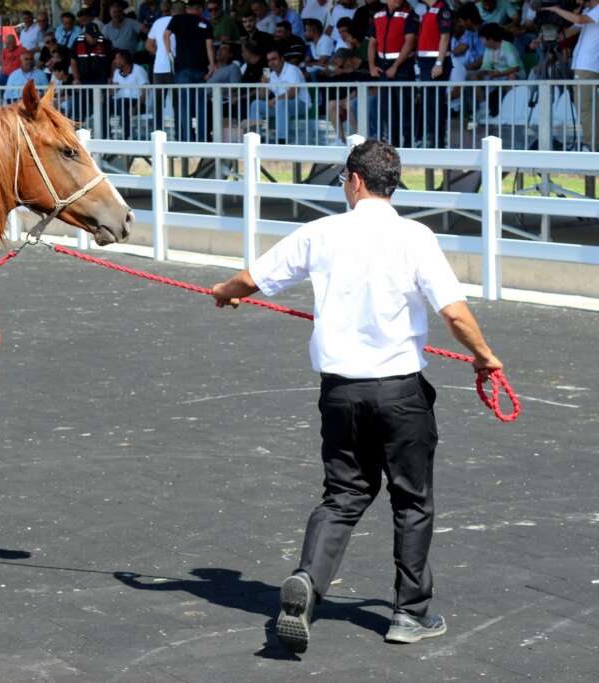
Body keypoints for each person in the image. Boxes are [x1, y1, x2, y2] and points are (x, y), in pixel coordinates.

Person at [210, 138, 503, 653]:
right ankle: (409, 614)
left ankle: (309, 578)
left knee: (343, 495)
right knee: (412, 501)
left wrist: (225, 294)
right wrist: (484, 356)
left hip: (341, 391)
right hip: (401, 392)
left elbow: (253, 278)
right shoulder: (415, 237)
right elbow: (454, 313)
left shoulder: (322, 233)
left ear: (354, 179)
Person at [541, 0, 599, 150]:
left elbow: (579, 20)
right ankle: (593, 144)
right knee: (589, 107)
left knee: (585, 107)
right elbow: (571, 31)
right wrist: (547, 35)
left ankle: (591, 146)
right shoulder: (589, 13)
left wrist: (556, 9)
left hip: (587, 66)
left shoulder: (596, 10)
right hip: (584, 66)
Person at [368, 0, 419, 148]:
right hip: (384, 68)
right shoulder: (378, 16)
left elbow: (409, 42)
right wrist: (372, 66)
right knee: (388, 111)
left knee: (406, 109)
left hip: (403, 68)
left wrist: (396, 66)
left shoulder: (409, 15)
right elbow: (372, 42)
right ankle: (393, 148)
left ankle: (409, 146)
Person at [165, 0, 216, 141]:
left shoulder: (177, 18)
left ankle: (187, 138)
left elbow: (166, 35)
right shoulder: (205, 22)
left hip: (182, 68)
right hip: (201, 68)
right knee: (201, 105)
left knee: (184, 105)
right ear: (200, 9)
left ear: (187, 8)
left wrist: (170, 54)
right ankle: (202, 138)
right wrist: (212, 65)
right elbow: (210, 46)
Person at [250, 47, 310, 143]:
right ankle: (257, 138)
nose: (271, 62)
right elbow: (262, 97)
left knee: (281, 103)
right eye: (269, 60)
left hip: (300, 105)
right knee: (255, 104)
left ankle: (282, 139)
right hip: (280, 106)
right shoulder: (271, 75)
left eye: (274, 59)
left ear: (282, 59)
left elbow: (293, 93)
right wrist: (263, 85)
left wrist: (275, 100)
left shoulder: (292, 69)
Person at [416, 0, 453, 148]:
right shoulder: (428, 10)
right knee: (427, 104)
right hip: (426, 63)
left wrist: (439, 63)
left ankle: (437, 142)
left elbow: (445, 37)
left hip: (435, 63)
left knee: (435, 104)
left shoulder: (442, 9)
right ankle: (430, 139)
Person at [111, 49, 150, 139]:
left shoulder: (138, 70)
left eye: (117, 58)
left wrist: (136, 107)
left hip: (137, 103)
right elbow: (114, 90)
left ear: (124, 59)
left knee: (123, 102)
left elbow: (145, 92)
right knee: (104, 105)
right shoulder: (117, 72)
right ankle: (105, 136)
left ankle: (126, 136)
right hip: (120, 103)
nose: (115, 61)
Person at [147, 0, 181, 84]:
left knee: (159, 96)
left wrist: (160, 53)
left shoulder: (157, 22)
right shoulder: (180, 21)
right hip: (177, 66)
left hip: (160, 66)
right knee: (176, 96)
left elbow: (148, 45)